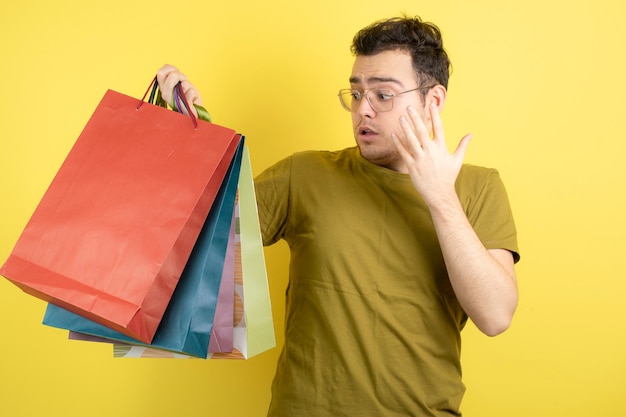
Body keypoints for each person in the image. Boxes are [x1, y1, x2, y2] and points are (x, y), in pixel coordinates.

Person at [157, 14, 519, 417]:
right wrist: (181, 137)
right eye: (356, 93)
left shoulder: (479, 188)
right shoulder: (305, 175)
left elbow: (495, 314)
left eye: (383, 95)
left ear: (432, 100)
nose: (363, 110)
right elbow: (192, 239)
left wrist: (439, 197)